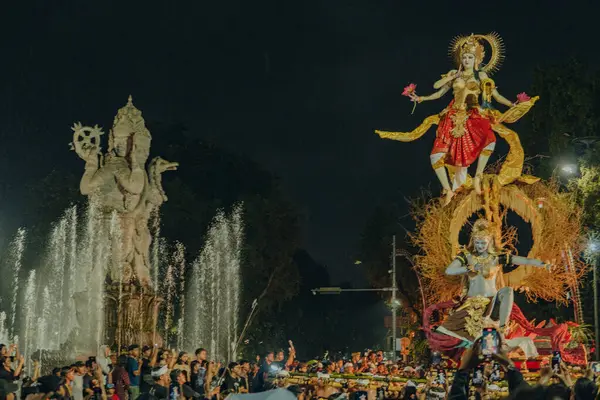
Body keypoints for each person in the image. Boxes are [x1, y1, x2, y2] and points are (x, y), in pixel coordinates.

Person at [438, 219, 550, 349]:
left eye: (483, 243)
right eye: (477, 242)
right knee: (445, 337)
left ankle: (502, 330)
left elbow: (524, 260)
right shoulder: (466, 256)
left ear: (490, 241)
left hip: (492, 301)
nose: (480, 246)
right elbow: (449, 270)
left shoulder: (496, 257)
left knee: (507, 291)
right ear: (473, 241)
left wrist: (542, 264)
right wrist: (469, 268)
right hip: (473, 304)